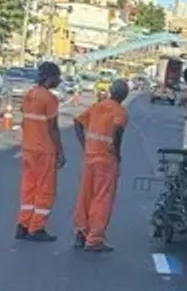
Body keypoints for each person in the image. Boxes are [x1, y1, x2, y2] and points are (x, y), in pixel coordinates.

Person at [72, 79, 130, 253]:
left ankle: (81, 233)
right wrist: (116, 151)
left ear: (111, 92)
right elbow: (117, 130)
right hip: (106, 160)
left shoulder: (97, 106)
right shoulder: (121, 112)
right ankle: (95, 239)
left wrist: (85, 145)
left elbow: (77, 122)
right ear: (124, 96)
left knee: (85, 196)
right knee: (102, 198)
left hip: (90, 157)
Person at [16, 61, 65, 242]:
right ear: (49, 78)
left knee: (28, 188)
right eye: (57, 77)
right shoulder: (50, 99)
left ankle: (23, 225)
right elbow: (53, 128)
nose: (58, 81)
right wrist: (60, 151)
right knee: (45, 190)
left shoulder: (29, 95)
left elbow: (24, 119)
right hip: (44, 151)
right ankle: (36, 228)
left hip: (28, 148)